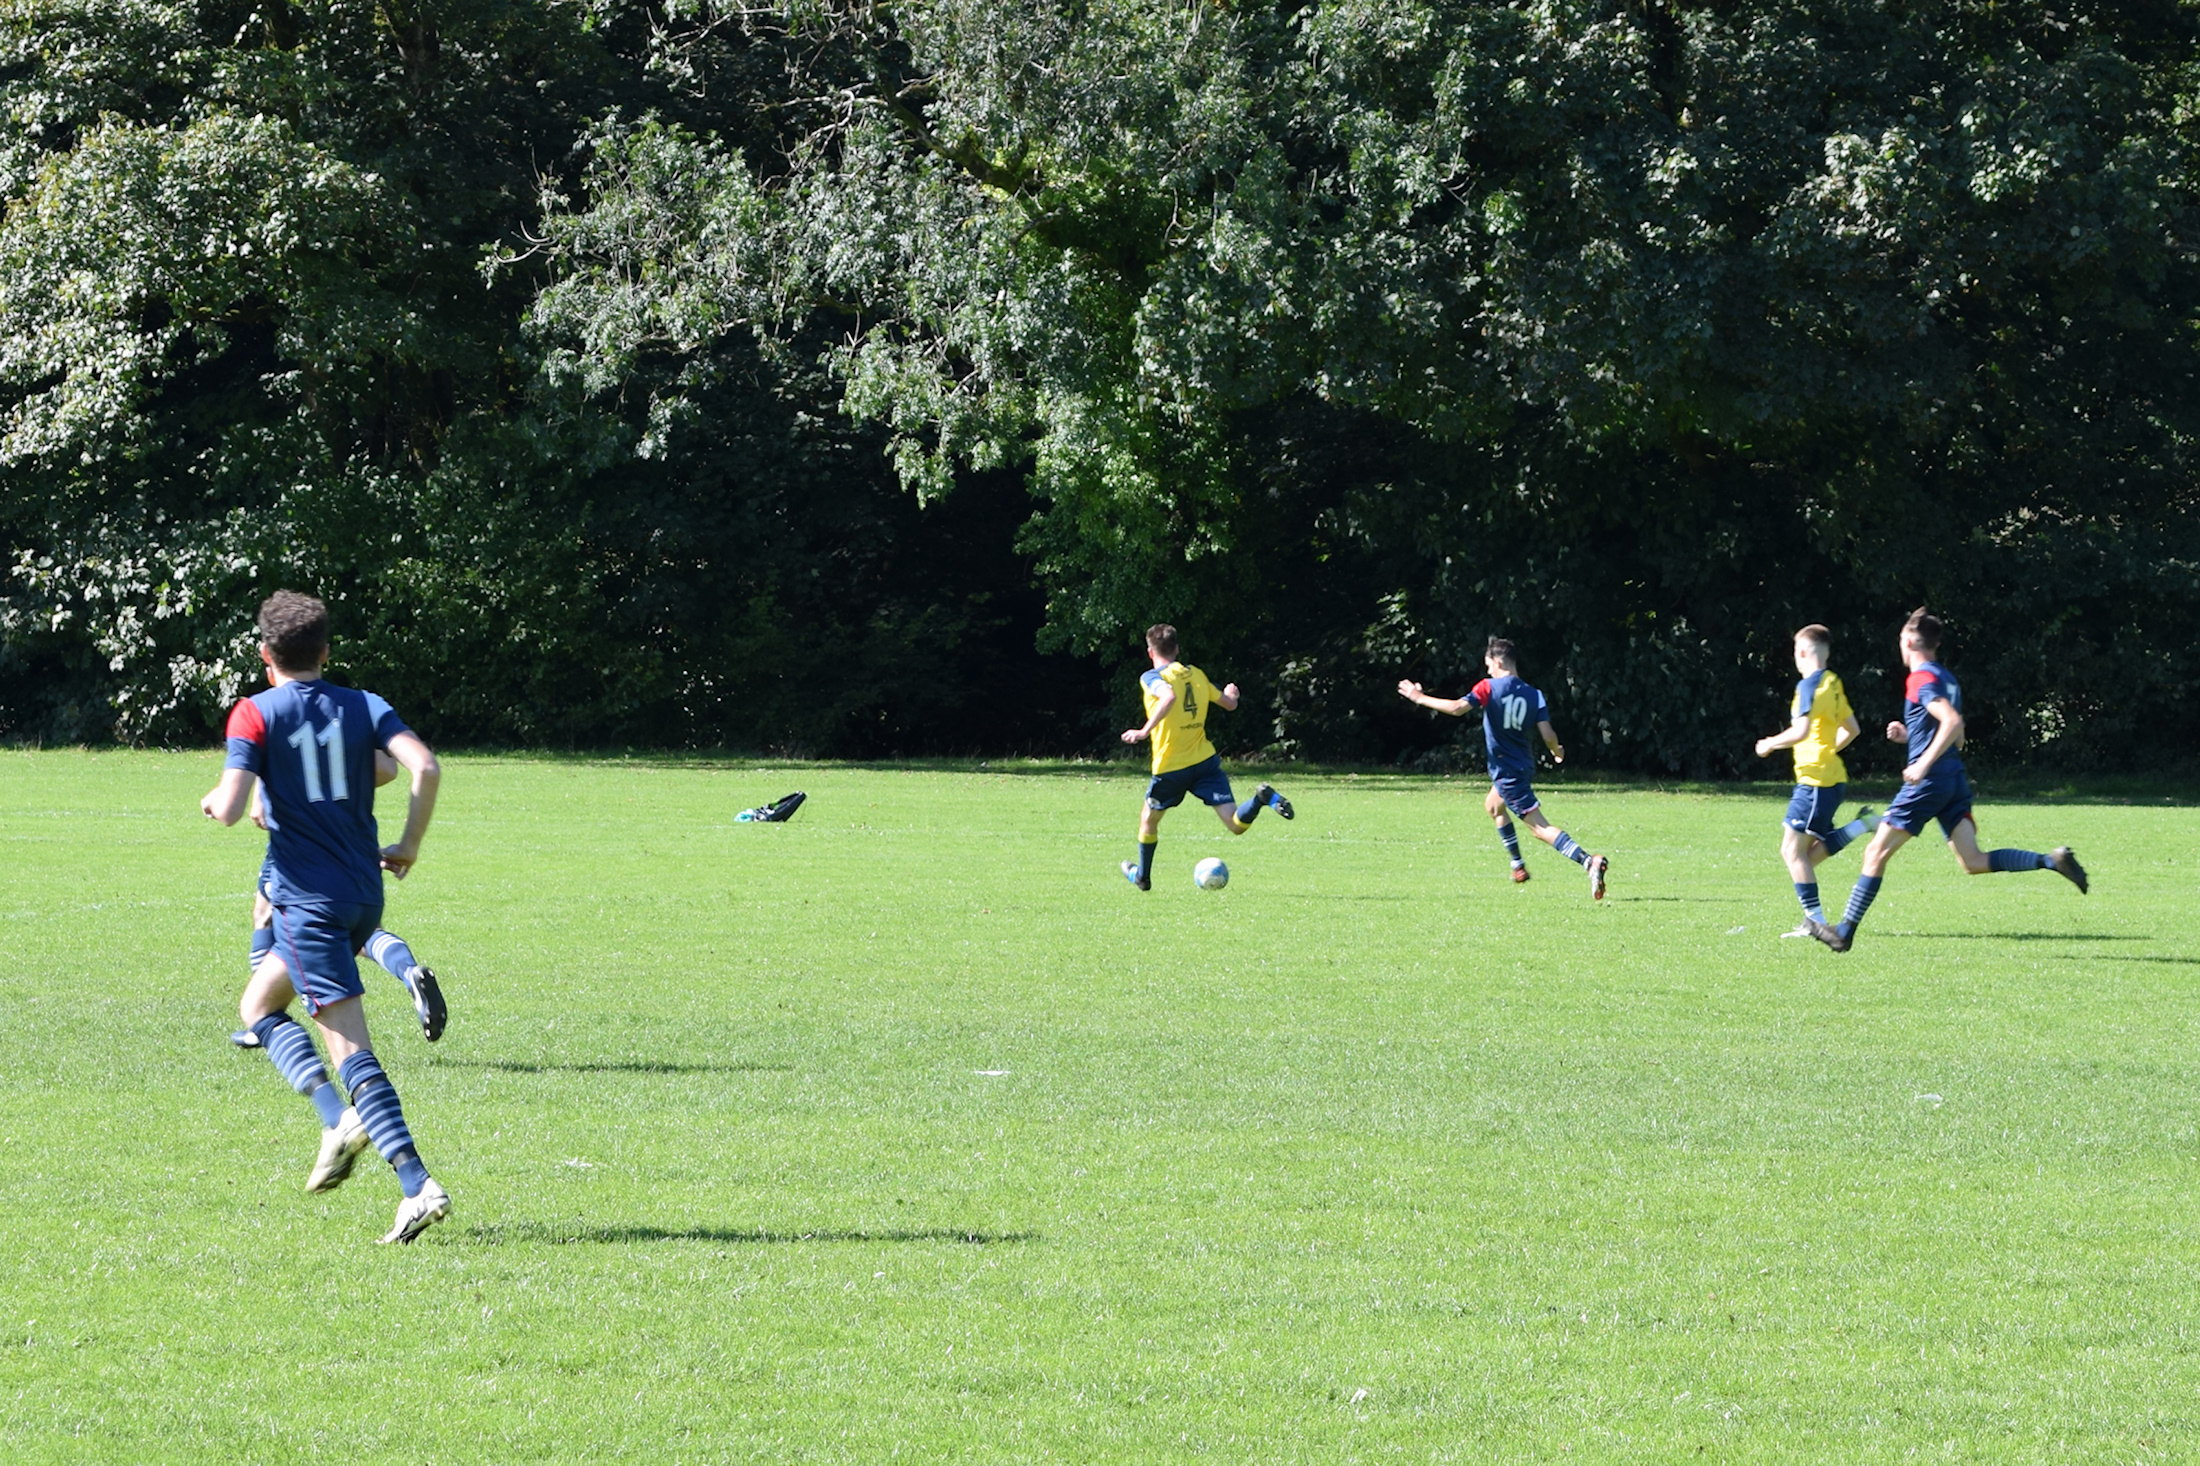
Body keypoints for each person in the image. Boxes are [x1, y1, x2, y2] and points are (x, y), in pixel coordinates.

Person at [199, 590, 452, 1243]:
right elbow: (420, 765)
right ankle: (335, 1120)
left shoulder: (254, 713)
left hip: (308, 904)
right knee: (257, 1005)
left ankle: (416, 1184)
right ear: (326, 651)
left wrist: (215, 798)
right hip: (364, 890)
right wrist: (410, 846)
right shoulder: (361, 704)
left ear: (265, 656)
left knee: (350, 1048)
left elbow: (229, 808)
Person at [1807, 608, 2086, 953]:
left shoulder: (1921, 678)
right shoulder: (1946, 678)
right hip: (1953, 778)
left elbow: (1951, 722)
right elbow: (1957, 737)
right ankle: (2049, 860)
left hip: (1930, 781)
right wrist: (1912, 737)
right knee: (1973, 861)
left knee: (1874, 852)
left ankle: (1844, 931)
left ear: (1908, 641)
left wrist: (1922, 763)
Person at [229, 760, 447, 1049]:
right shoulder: (356, 715)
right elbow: (386, 768)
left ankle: (263, 1016)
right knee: (361, 930)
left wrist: (294, 786)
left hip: (301, 836)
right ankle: (409, 972)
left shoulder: (284, 716)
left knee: (266, 914)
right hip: (352, 833)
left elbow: (255, 809)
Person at [1398, 636, 1608, 898]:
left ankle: (1589, 862)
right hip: (1521, 766)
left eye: (1488, 665)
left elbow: (1456, 708)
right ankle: (1518, 866)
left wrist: (1419, 697)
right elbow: (1548, 734)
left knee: (1539, 828)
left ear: (1498, 661)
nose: (1487, 670)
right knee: (1493, 806)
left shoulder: (1488, 687)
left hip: (1508, 773)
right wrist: (1557, 752)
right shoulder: (1535, 695)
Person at [1119, 624, 1292, 890]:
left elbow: (1168, 696)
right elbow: (1229, 704)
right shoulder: (1196, 674)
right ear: (1176, 649)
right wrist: (1232, 695)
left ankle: (1143, 876)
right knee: (1236, 825)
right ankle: (1261, 799)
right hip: (1204, 763)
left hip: (1171, 767)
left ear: (1150, 651)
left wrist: (1143, 731)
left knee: (1148, 820)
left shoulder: (1151, 677)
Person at [1752, 624, 1878, 936]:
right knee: (1805, 855)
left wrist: (1769, 743)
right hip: (1830, 777)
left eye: (1796, 652)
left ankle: (1816, 923)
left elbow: (1801, 731)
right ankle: (1861, 825)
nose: (1795, 658)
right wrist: (1827, 749)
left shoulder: (1808, 686)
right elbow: (1852, 729)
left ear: (1805, 653)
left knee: (1792, 852)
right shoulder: (1833, 683)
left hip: (1815, 780)